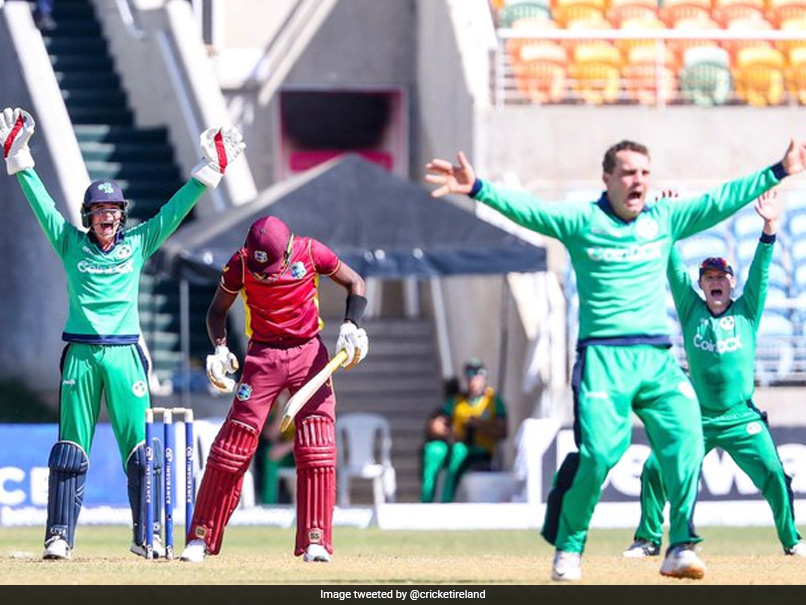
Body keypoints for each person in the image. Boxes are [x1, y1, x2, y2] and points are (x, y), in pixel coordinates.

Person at [424, 139, 806, 581]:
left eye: (644, 172)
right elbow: (531, 210)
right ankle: (569, 547)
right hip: (604, 355)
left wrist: (777, 170)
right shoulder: (582, 221)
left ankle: (680, 545)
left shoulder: (664, 219)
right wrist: (479, 190)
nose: (637, 180)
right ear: (607, 179)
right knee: (602, 453)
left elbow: (719, 201)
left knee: (684, 438)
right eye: (627, 172)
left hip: (656, 358)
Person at [0, 106, 245, 560]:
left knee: (140, 453)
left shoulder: (138, 243)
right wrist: (20, 158)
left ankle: (146, 536)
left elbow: (173, 213)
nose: (108, 219)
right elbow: (42, 206)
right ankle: (59, 537)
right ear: (88, 215)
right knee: (71, 449)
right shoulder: (69, 240)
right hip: (80, 354)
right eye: (100, 212)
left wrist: (209, 171)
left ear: (122, 216)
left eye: (114, 211)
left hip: (125, 355)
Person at [623, 189, 806, 559]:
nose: (715, 280)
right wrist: (670, 224)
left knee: (774, 473)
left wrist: (769, 227)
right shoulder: (691, 309)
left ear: (731, 282)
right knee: (655, 468)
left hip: (741, 417)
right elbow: (673, 268)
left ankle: (792, 540)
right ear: (702, 285)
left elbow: (762, 270)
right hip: (698, 417)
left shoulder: (747, 311)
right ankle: (647, 539)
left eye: (721, 275)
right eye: (708, 277)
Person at [179, 215, 369, 563]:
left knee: (317, 446)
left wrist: (352, 325)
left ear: (286, 249)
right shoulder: (240, 262)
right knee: (231, 449)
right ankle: (201, 538)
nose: (264, 274)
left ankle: (316, 540)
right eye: (258, 268)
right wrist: (220, 349)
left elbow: (355, 282)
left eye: (271, 267)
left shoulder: (310, 251)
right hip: (262, 356)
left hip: (308, 353)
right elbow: (216, 312)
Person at [420, 358, 508, 503]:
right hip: (455, 444)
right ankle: (426, 499)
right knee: (433, 450)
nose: (473, 381)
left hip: (480, 450)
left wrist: (479, 425)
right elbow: (437, 424)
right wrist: (449, 432)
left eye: (476, 376)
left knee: (459, 451)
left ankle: (446, 500)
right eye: (470, 377)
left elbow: (502, 432)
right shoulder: (457, 401)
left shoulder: (492, 401)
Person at [254, 398, 296, 505]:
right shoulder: (275, 404)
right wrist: (282, 407)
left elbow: (311, 436)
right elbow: (271, 436)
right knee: (270, 453)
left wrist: (287, 447)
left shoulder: (306, 401)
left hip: (305, 448)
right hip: (287, 453)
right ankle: (268, 505)